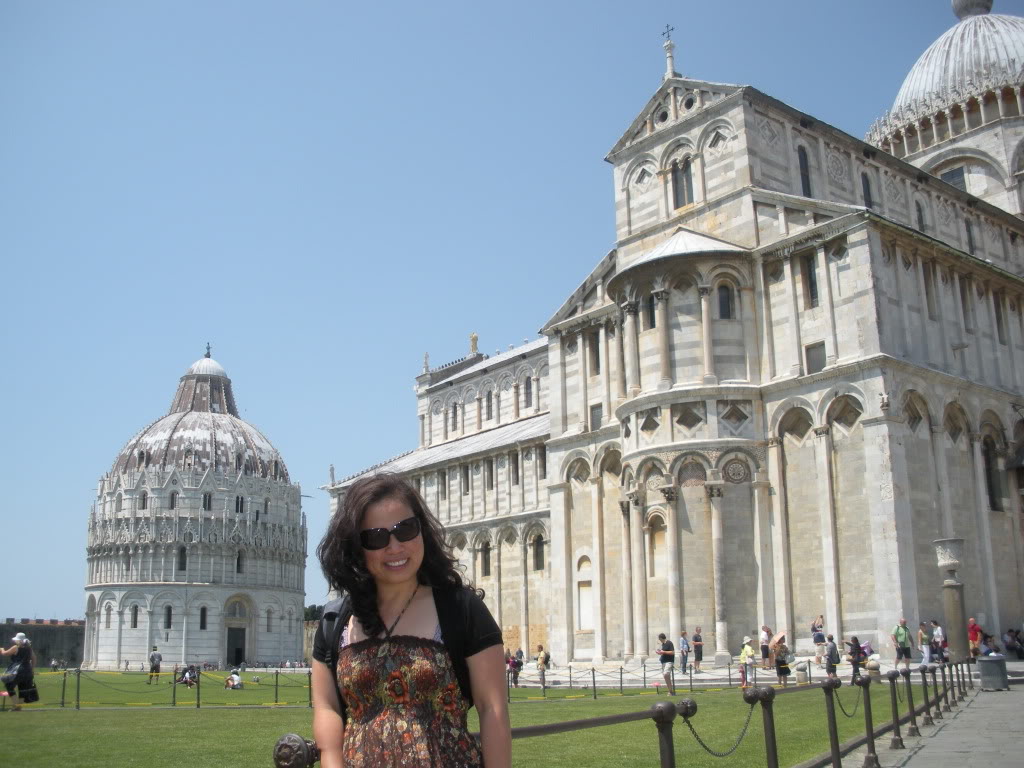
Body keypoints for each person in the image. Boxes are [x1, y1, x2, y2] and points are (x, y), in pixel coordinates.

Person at [311, 473, 511, 768]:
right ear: (356, 548)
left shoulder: (461, 610)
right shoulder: (334, 621)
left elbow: (492, 709)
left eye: (405, 529)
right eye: (376, 537)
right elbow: (327, 709)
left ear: (422, 531)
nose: (395, 547)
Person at [1, 632, 38, 710]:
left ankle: (16, 704)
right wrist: (32, 669)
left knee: (9, 685)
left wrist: (1, 649)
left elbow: (5, 653)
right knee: (23, 689)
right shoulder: (29, 648)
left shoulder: (16, 647)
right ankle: (19, 707)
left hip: (18, 669)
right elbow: (34, 658)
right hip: (28, 669)